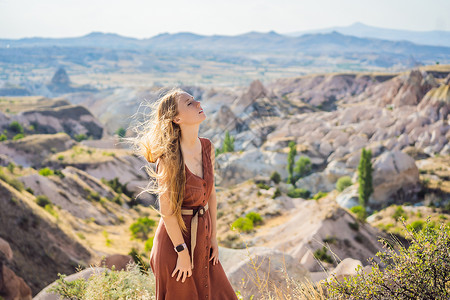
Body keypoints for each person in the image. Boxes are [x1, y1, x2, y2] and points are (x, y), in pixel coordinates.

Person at [127, 88, 238, 299]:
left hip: (202, 236)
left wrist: (213, 236)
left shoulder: (207, 147)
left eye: (195, 100)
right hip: (175, 245)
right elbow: (167, 213)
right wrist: (182, 252)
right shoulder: (169, 158)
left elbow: (211, 195)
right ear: (176, 118)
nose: (198, 103)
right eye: (189, 103)